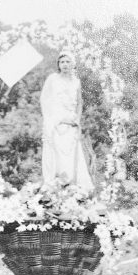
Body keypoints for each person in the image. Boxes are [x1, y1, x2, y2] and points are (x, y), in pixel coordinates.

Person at [39, 50, 93, 190]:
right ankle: (56, 185)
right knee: (55, 153)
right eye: (62, 62)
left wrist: (78, 119)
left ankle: (72, 186)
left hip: (71, 122)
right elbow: (44, 99)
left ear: (73, 64)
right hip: (56, 122)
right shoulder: (52, 79)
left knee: (71, 154)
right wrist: (50, 120)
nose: (65, 65)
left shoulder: (76, 82)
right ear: (58, 64)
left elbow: (80, 102)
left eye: (68, 62)